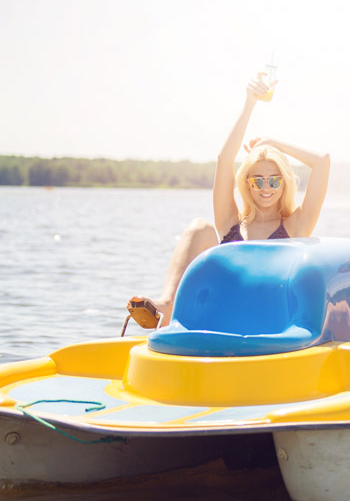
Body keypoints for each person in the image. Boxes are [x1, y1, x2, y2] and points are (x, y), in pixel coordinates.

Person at [125, 71, 330, 329]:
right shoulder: (231, 223)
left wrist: (272, 142)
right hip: (222, 312)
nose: (266, 188)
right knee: (200, 227)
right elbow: (224, 161)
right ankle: (167, 307)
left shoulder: (296, 226)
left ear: (284, 183)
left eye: (274, 180)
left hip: (268, 319)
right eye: (257, 180)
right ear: (247, 183)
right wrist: (250, 103)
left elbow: (322, 162)